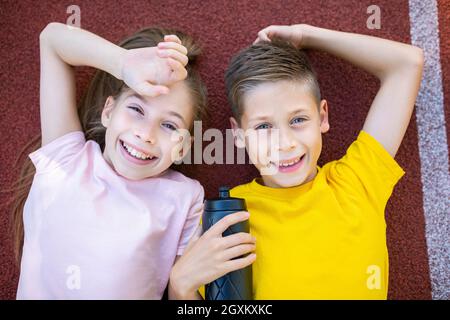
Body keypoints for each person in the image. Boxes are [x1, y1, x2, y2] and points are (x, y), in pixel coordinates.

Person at [171, 24, 424, 299]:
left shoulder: (358, 180)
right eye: (264, 127)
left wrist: (308, 35)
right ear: (239, 135)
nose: (285, 143)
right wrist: (179, 287)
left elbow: (407, 64)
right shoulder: (227, 218)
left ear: (322, 116)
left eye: (298, 120)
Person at [10, 22, 250, 299]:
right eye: (136, 109)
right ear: (109, 111)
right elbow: (52, 39)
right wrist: (123, 63)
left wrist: (179, 286)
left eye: (169, 126)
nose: (145, 134)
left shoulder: (184, 197)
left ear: (184, 146)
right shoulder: (66, 158)